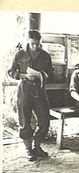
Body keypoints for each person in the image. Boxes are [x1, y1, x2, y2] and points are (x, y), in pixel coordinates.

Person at [7, 29, 53, 161]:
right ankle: (28, 150)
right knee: (25, 120)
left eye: (38, 43)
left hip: (39, 89)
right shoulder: (20, 55)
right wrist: (24, 75)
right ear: (28, 41)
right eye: (33, 43)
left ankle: (36, 146)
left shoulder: (45, 55)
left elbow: (50, 71)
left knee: (44, 120)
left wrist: (43, 75)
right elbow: (11, 72)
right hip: (24, 89)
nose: (36, 46)